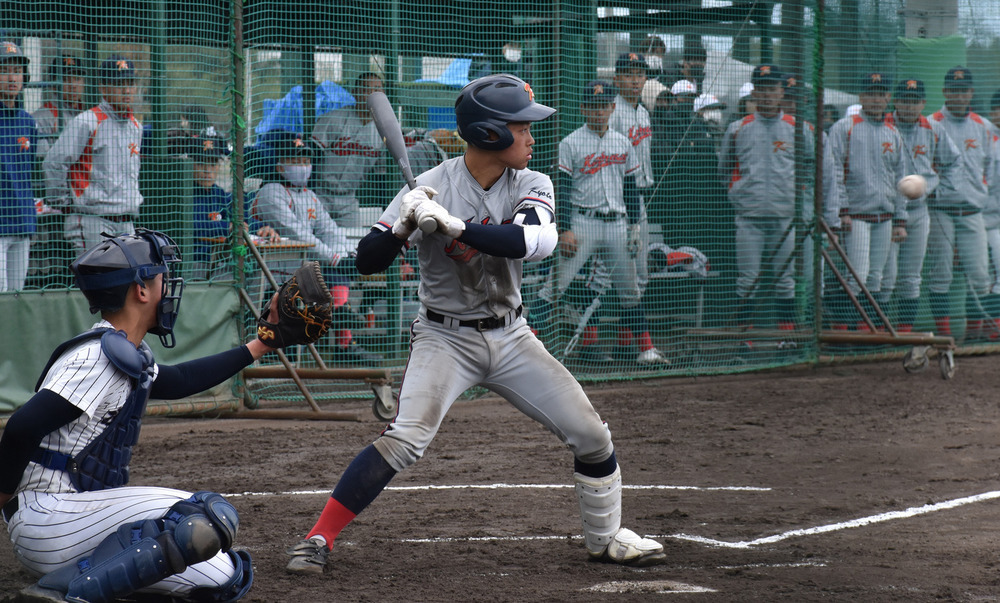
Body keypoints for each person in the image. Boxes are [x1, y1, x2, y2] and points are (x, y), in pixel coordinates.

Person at [284, 73, 667, 574]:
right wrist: (402, 225)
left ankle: (606, 538)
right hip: (444, 338)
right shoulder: (429, 186)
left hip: (512, 337)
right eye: (521, 128)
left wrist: (455, 225)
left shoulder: (532, 182)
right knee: (404, 439)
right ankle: (317, 538)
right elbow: (366, 261)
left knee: (592, 436)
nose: (531, 137)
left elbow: (533, 242)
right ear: (491, 133)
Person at [0, 229, 278, 601]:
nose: (169, 287)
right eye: (162, 277)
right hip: (50, 517)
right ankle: (61, 592)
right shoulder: (97, 357)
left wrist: (263, 343)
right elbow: (21, 427)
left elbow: (181, 380)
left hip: (76, 523)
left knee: (222, 576)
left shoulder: (127, 353)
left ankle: (81, 581)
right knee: (204, 514)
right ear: (141, 290)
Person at [533, 80, 670, 365]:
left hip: (617, 224)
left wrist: (634, 225)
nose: (599, 111)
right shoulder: (570, 142)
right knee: (554, 286)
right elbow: (561, 189)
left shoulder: (622, 142)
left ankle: (646, 349)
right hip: (582, 223)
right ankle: (523, 345)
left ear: (612, 108)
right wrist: (565, 229)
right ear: (583, 108)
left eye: (604, 106)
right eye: (593, 106)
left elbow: (630, 188)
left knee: (630, 291)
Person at [252, 130, 380, 365]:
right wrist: (335, 259)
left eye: (305, 160)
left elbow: (329, 230)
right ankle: (338, 321)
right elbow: (297, 234)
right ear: (279, 165)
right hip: (269, 272)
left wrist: (348, 255)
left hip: (299, 267)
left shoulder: (309, 195)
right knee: (331, 267)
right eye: (294, 160)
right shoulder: (271, 191)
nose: (302, 166)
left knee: (338, 269)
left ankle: (341, 330)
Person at [718, 65, 808, 329]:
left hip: (786, 217)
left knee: (786, 280)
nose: (767, 95)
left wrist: (797, 196)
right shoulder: (738, 128)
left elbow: (812, 167)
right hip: (749, 218)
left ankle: (785, 339)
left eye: (773, 89)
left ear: (781, 92)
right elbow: (724, 170)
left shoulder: (799, 128)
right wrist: (738, 194)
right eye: (762, 89)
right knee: (748, 280)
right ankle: (744, 339)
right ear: (754, 93)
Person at [827, 72, 907, 331]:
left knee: (876, 278)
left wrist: (900, 218)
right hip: (856, 215)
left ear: (888, 98)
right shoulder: (845, 127)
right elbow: (834, 171)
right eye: (870, 94)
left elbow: (901, 178)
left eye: (881, 94)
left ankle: (866, 333)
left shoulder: (892, 132)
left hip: (885, 216)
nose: (876, 99)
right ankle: (844, 331)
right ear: (861, 97)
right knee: (857, 276)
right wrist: (841, 210)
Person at [881, 78, 961, 334]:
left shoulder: (932, 128)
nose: (909, 106)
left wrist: (939, 191)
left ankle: (904, 334)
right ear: (895, 101)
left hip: (919, 211)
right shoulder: (883, 125)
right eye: (904, 100)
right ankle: (876, 335)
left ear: (923, 103)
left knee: (911, 276)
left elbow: (954, 161)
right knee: (885, 277)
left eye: (915, 101)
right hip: (887, 213)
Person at [926, 66, 998, 338]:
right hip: (940, 211)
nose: (959, 95)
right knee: (941, 275)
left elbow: (989, 167)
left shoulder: (983, 125)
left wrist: (981, 193)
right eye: (954, 90)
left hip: (972, 211)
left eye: (963, 90)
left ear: (971, 92)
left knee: (980, 277)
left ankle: (973, 336)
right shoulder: (931, 123)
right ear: (945, 91)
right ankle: (945, 337)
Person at [44, 55, 143, 252]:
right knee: (97, 273)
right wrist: (65, 202)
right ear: (103, 88)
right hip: (93, 221)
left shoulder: (135, 126)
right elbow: (53, 163)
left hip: (127, 222)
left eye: (130, 83)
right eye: (119, 84)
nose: (126, 90)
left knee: (131, 273)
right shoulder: (87, 121)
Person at [609, 53, 656, 347]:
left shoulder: (644, 113)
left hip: (638, 197)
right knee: (613, 275)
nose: (635, 80)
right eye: (628, 74)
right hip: (616, 199)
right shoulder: (613, 112)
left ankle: (626, 340)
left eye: (640, 74)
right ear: (617, 79)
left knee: (640, 275)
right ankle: (596, 341)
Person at [190, 130, 279, 277]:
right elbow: (194, 225)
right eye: (201, 163)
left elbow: (240, 219)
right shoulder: (184, 194)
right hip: (193, 263)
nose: (207, 170)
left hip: (219, 262)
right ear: (190, 164)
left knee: (260, 269)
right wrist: (229, 227)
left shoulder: (218, 193)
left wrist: (262, 228)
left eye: (213, 164)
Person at [310, 72, 385, 227]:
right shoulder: (332, 119)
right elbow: (312, 155)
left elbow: (382, 174)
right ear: (355, 92)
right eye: (366, 89)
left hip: (349, 199)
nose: (371, 94)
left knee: (351, 239)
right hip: (320, 194)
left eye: (377, 89)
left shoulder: (385, 130)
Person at [0, 41, 39, 293]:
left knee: (16, 296)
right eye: (4, 70)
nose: (12, 77)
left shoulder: (28, 122)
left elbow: (29, 170)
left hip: (22, 221)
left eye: (17, 71)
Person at [32, 55, 85, 161]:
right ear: (53, 84)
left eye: (77, 79)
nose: (73, 85)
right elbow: (42, 162)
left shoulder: (88, 115)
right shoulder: (40, 118)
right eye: (65, 79)